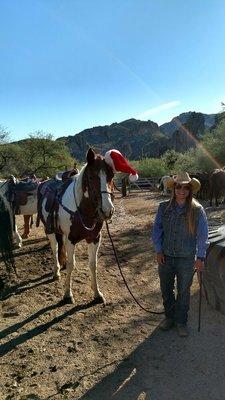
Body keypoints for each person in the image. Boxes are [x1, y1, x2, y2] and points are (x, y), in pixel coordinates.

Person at [152, 172, 209, 337]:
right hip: (166, 257)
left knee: (183, 292)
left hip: (186, 258)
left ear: (190, 190)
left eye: (185, 187)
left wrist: (200, 257)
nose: (181, 190)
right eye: (178, 187)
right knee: (166, 289)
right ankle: (169, 318)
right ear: (174, 188)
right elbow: (157, 230)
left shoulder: (197, 210)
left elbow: (202, 236)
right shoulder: (163, 207)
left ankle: (181, 321)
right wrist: (158, 250)